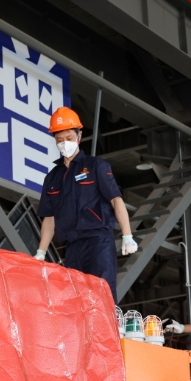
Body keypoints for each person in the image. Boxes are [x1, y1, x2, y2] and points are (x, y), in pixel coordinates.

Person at [35, 106, 138, 302]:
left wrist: (127, 235)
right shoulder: (52, 178)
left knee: (102, 294)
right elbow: (49, 218)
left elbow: (116, 199)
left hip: (98, 241)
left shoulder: (95, 166)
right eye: (59, 140)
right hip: (72, 247)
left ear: (79, 136)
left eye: (69, 138)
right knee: (77, 300)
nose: (64, 143)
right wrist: (41, 251)